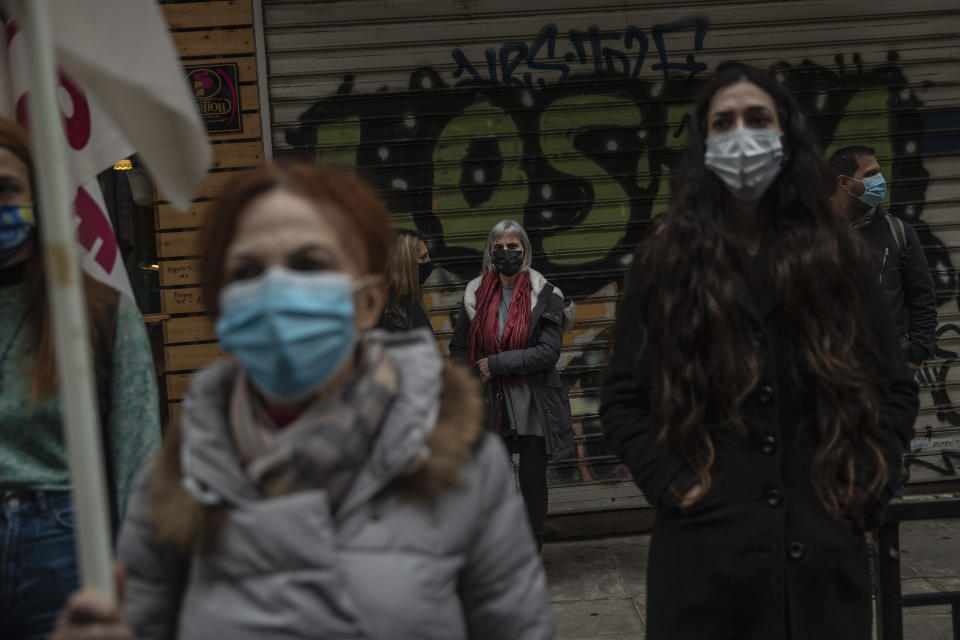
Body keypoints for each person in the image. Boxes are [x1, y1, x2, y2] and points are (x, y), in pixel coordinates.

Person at [115, 164, 554, 639]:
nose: (276, 289)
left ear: (368, 300)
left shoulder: (460, 466)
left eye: (308, 265)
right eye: (247, 270)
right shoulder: (181, 474)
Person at [600, 63, 918, 640]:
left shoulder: (840, 261)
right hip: (703, 573)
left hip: (822, 575)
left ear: (786, 136)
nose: (742, 134)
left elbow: (894, 388)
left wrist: (867, 481)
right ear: (704, 145)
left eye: (758, 118)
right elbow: (624, 400)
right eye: (723, 122)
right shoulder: (664, 263)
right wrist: (674, 484)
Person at [0, 118, 160, 640]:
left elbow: (140, 466)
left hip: (64, 551)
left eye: (5, 190)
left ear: (40, 197)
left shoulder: (97, 312)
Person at [449, 220, 575, 549]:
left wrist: (496, 363)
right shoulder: (474, 294)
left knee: (533, 481)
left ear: (525, 250)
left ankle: (532, 550)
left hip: (533, 402)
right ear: (490, 251)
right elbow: (458, 349)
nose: (506, 253)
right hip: (491, 402)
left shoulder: (546, 295)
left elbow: (548, 352)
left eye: (513, 247)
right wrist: (474, 374)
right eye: (500, 247)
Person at [829, 145, 937, 369]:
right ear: (844, 183)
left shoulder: (899, 233)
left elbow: (922, 297)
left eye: (878, 172)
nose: (879, 180)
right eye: (869, 174)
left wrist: (914, 355)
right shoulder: (813, 236)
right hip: (833, 375)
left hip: (891, 371)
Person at [377, 228, 434, 333]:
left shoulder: (409, 299)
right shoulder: (389, 310)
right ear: (405, 263)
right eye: (423, 258)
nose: (429, 261)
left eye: (428, 255)